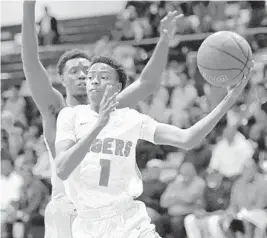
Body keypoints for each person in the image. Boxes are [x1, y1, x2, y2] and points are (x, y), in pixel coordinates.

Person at [22, 1, 181, 237]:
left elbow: (147, 83)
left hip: (107, 213)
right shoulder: (56, 109)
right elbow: (31, 64)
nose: (82, 74)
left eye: (87, 70)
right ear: (61, 79)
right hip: (67, 210)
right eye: (73, 71)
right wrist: (28, 6)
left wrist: (164, 40)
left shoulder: (110, 107)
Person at [54, 53, 253, 237]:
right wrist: (98, 126)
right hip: (89, 224)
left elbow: (188, 139)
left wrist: (230, 99)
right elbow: (62, 169)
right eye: (91, 76)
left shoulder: (131, 119)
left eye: (104, 76)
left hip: (129, 219)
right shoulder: (70, 116)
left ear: (117, 87)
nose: (94, 80)